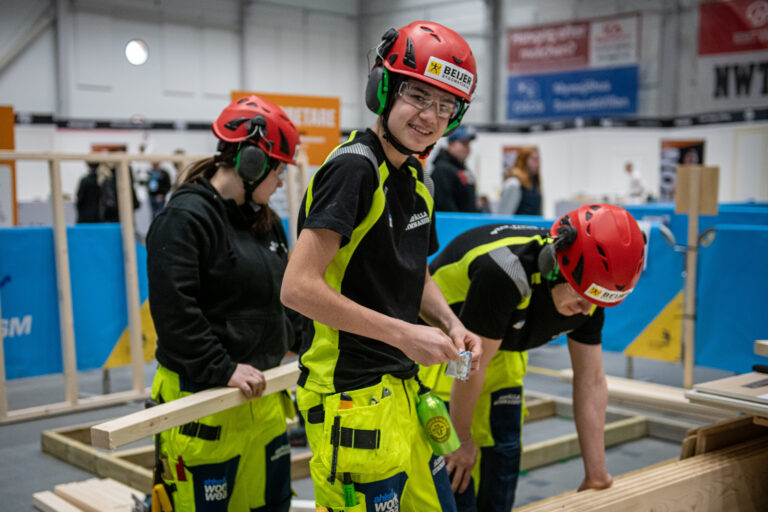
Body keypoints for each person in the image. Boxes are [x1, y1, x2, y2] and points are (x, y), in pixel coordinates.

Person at [280, 21, 483, 512]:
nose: (430, 116)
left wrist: (451, 322)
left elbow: (416, 275)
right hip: (349, 396)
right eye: (417, 95)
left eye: (445, 106)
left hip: (402, 390)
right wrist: (405, 334)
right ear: (383, 89)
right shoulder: (354, 168)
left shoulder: (419, 178)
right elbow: (297, 288)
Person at [419, 204, 646, 512]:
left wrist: (596, 474)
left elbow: (591, 380)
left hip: (502, 352)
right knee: (457, 485)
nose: (586, 311)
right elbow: (468, 364)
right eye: (581, 299)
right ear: (557, 267)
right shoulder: (504, 273)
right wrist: (460, 439)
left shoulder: (590, 288)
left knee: (503, 467)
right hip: (448, 357)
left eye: (595, 303)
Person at [146, 95, 301, 511]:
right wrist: (224, 368)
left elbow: (285, 301)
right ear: (253, 162)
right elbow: (174, 312)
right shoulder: (185, 219)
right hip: (204, 401)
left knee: (271, 506)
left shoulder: (266, 222)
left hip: (261, 399)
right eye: (280, 168)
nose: (282, 180)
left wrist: (314, 346)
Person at [431, 125, 478, 212]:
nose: (467, 148)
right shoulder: (442, 169)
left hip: (466, 222)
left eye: (468, 143)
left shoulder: (462, 168)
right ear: (451, 144)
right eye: (463, 143)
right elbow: (444, 205)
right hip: (453, 223)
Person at [498, 147, 541, 215]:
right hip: (518, 225)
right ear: (523, 160)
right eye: (534, 159)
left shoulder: (534, 184)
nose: (538, 164)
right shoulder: (514, 184)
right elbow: (503, 216)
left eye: (538, 160)